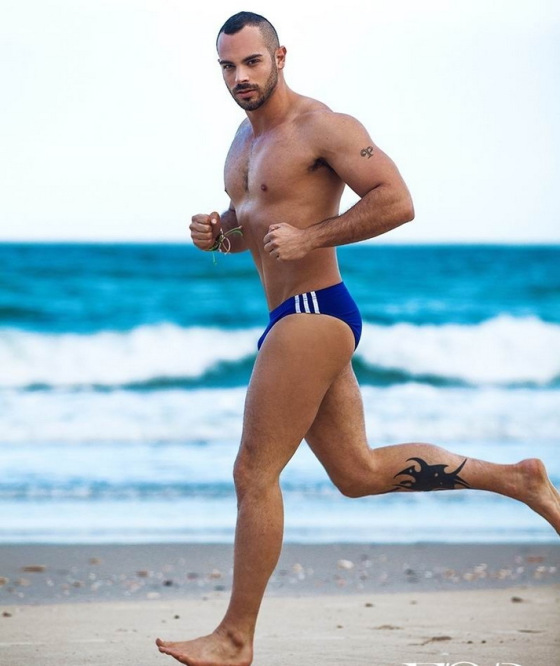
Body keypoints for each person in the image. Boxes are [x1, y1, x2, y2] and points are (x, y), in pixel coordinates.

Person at [157, 11, 560, 666]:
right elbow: (254, 224)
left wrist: (312, 238)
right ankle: (519, 480)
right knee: (357, 472)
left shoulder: (324, 127)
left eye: (251, 62)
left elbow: (397, 201)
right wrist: (218, 234)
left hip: (315, 310)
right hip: (291, 314)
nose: (239, 77)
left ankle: (234, 638)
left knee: (253, 471)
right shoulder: (242, 140)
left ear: (280, 57)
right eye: (227, 66)